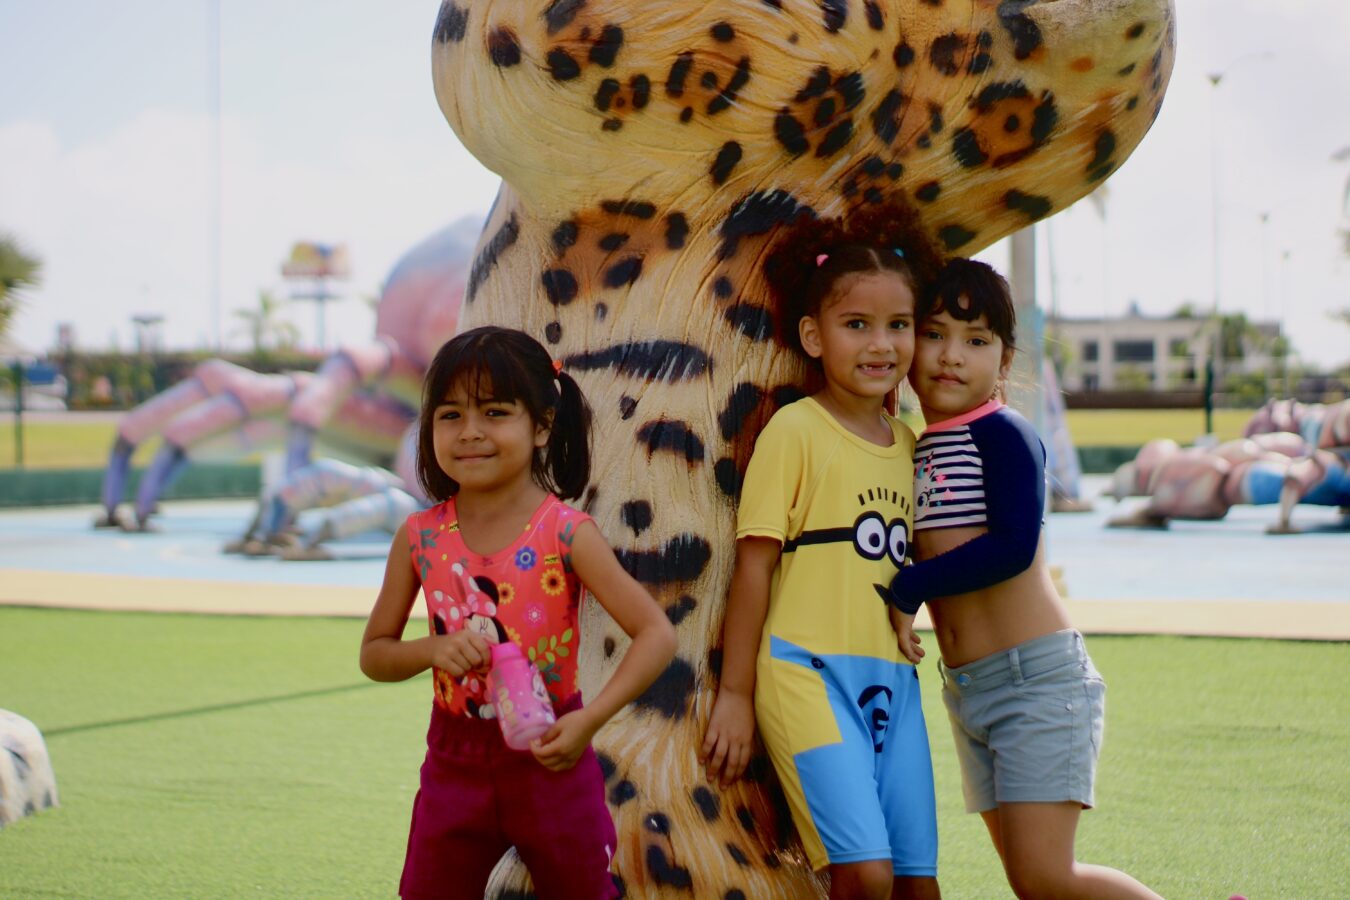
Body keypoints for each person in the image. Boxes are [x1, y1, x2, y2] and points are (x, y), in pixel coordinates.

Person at [360, 326, 677, 900]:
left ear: (542, 426)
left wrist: (589, 721)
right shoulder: (419, 538)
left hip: (553, 757)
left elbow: (656, 634)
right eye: (450, 415)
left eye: (495, 412)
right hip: (453, 763)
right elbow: (375, 655)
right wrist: (432, 649)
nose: (470, 431)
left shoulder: (567, 533)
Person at [889, 259, 1160, 899]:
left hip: (1035, 681)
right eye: (935, 333)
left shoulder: (1004, 433)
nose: (952, 355)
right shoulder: (912, 444)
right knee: (1029, 882)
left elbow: (1012, 548)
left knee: (1048, 875)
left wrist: (909, 587)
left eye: (976, 340)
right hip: (970, 689)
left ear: (1004, 361)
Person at [701, 208, 942, 900]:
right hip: (806, 674)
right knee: (865, 873)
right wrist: (736, 694)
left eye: (898, 325)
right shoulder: (795, 431)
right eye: (856, 324)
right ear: (814, 336)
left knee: (918, 883)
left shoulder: (913, 446)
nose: (881, 344)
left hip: (896, 683)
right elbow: (754, 568)